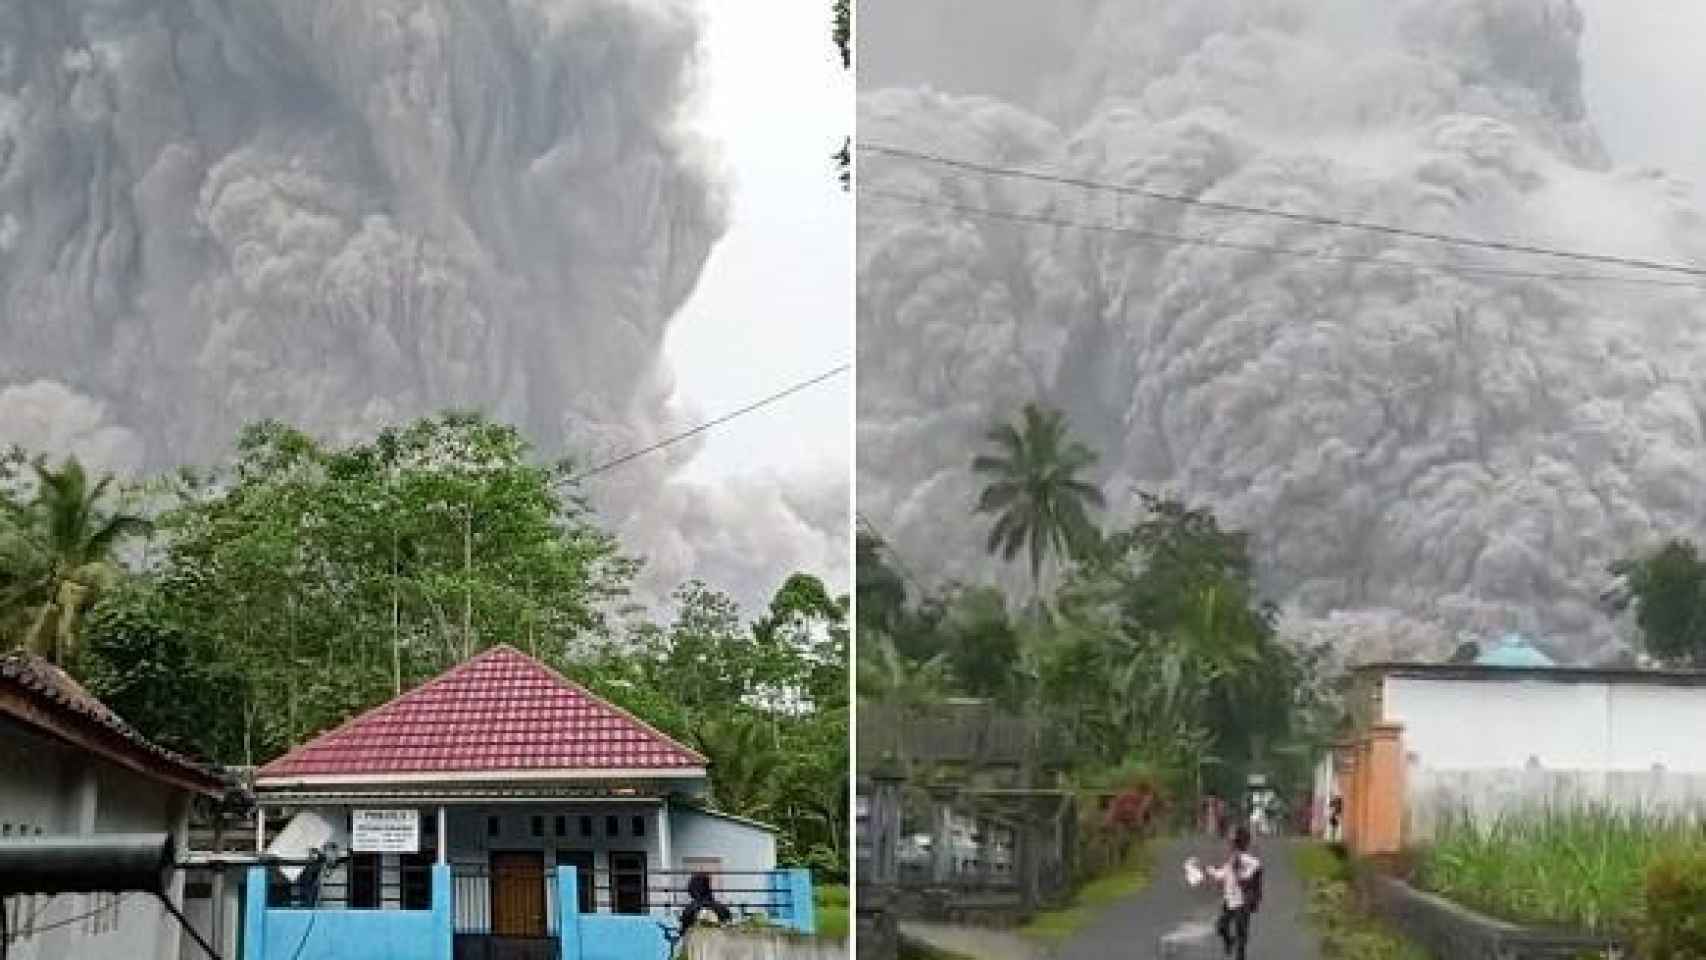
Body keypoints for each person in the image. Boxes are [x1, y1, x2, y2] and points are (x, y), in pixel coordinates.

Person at [1205, 825, 1262, 960]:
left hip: (1243, 903)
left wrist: (1240, 873)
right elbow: (1222, 874)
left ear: (1239, 843)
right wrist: (1210, 871)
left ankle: (1240, 955)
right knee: (1221, 927)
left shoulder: (1249, 861)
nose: (1229, 845)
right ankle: (1229, 942)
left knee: (1241, 934)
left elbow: (1253, 872)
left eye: (1232, 842)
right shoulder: (1232, 860)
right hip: (1230, 901)